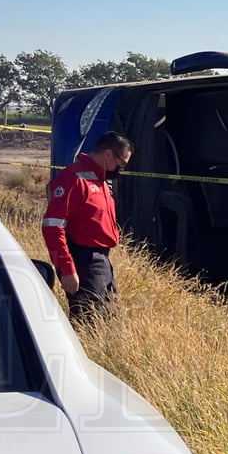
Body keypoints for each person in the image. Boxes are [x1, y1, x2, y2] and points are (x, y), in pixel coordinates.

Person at [42, 131, 133, 323]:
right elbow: (52, 227)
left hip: (101, 260)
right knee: (88, 320)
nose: (121, 169)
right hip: (84, 260)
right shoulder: (74, 179)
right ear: (108, 154)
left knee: (109, 318)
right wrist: (67, 269)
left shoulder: (99, 180)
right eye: (121, 163)